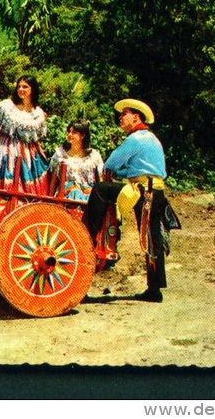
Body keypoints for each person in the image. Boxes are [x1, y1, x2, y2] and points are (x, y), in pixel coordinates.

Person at [83, 98, 178, 303]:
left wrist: (115, 171)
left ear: (136, 117)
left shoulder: (135, 139)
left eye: (124, 114)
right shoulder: (151, 138)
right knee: (153, 238)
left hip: (144, 192)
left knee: (100, 189)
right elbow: (134, 168)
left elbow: (111, 163)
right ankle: (154, 290)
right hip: (155, 190)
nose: (120, 117)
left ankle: (87, 231)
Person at [0, 75, 50, 195]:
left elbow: (35, 140)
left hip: (27, 155)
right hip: (4, 149)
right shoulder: (7, 106)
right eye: (19, 86)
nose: (21, 89)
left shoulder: (38, 114)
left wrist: (42, 156)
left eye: (25, 86)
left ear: (32, 89)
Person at [48, 119, 103, 202]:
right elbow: (54, 180)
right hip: (66, 194)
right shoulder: (60, 154)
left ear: (83, 136)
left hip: (88, 194)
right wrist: (49, 201)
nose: (70, 134)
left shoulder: (94, 156)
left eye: (74, 132)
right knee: (75, 192)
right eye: (69, 131)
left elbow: (101, 179)